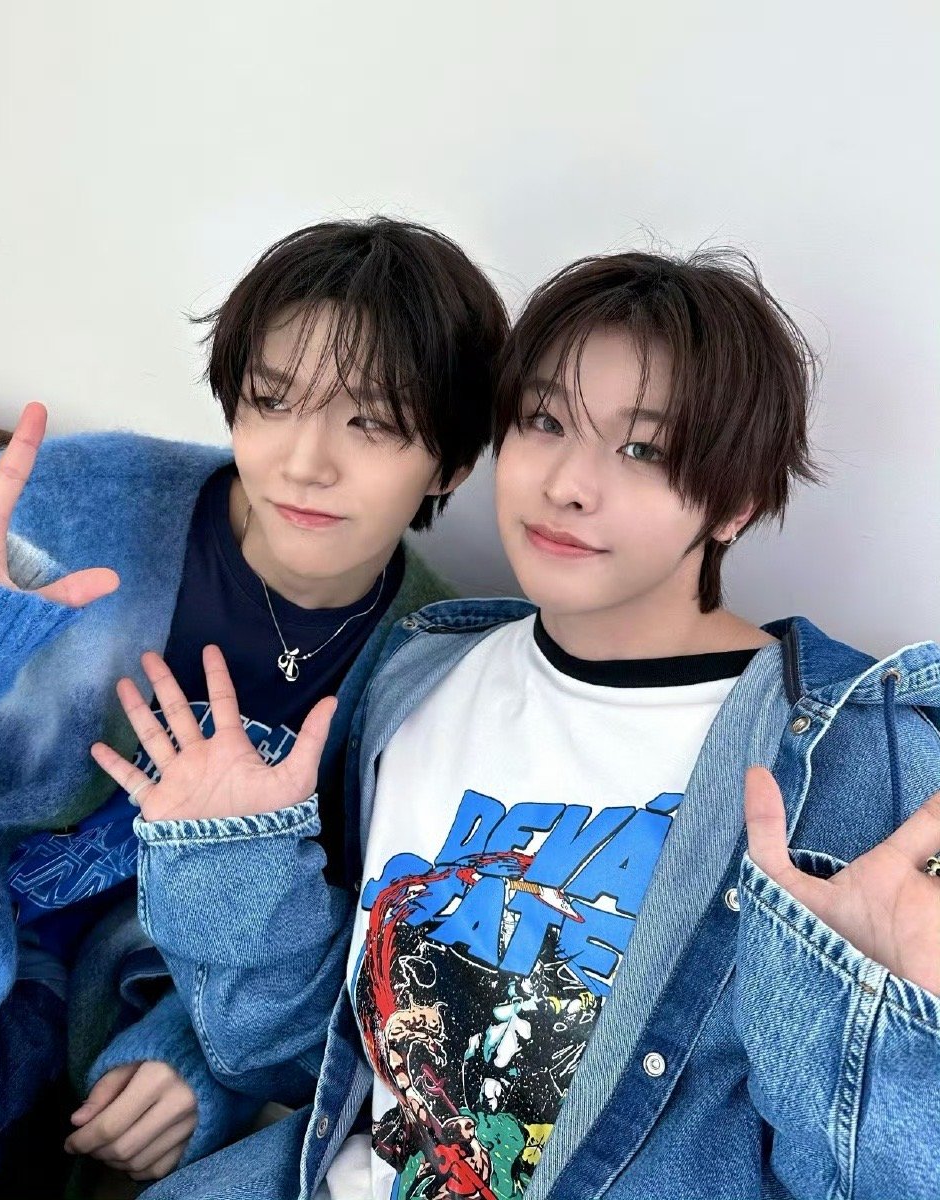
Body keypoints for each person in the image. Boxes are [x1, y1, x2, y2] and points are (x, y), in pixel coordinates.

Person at [93, 249, 940, 1200]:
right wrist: (228, 860)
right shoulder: (417, 676)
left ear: (736, 502)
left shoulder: (851, 755)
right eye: (545, 421)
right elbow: (297, 1062)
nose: (567, 483)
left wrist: (890, 1036)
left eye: (643, 449)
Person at [0, 216, 508, 1187]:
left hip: (88, 1012)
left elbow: (348, 963)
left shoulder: (437, 676)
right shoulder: (77, 501)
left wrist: (196, 1062)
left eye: (371, 422)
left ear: (451, 463)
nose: (305, 462)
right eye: (272, 401)